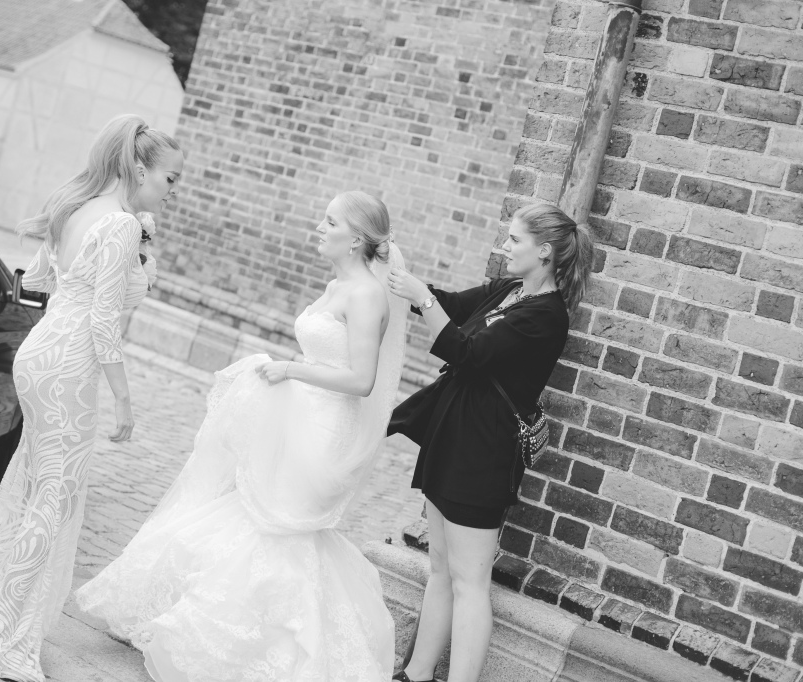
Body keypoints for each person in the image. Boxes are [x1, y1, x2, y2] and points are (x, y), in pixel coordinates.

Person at [75, 191, 409, 682]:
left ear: (356, 238)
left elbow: (361, 380)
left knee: (280, 526)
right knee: (257, 515)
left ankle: (266, 650)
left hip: (322, 429)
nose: (319, 227)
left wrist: (290, 369)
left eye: (330, 221)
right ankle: (220, 630)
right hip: (300, 416)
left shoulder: (366, 294)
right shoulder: (337, 285)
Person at [0, 115, 183, 682]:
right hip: (71, 366)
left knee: (29, 486)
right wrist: (123, 399)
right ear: (139, 169)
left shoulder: (75, 206)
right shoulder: (120, 225)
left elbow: (39, 281)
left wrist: (128, 263)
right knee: (52, 500)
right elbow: (103, 323)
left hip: (39, 355)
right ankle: (3, 639)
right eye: (171, 178)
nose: (173, 190)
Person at [384, 203, 594, 682]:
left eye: (515, 240)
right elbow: (450, 305)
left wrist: (423, 299)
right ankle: (416, 674)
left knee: (471, 581)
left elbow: (468, 352)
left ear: (545, 251)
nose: (505, 246)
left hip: (483, 453)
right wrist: (396, 272)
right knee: (441, 568)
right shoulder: (509, 290)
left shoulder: (547, 316)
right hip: (451, 436)